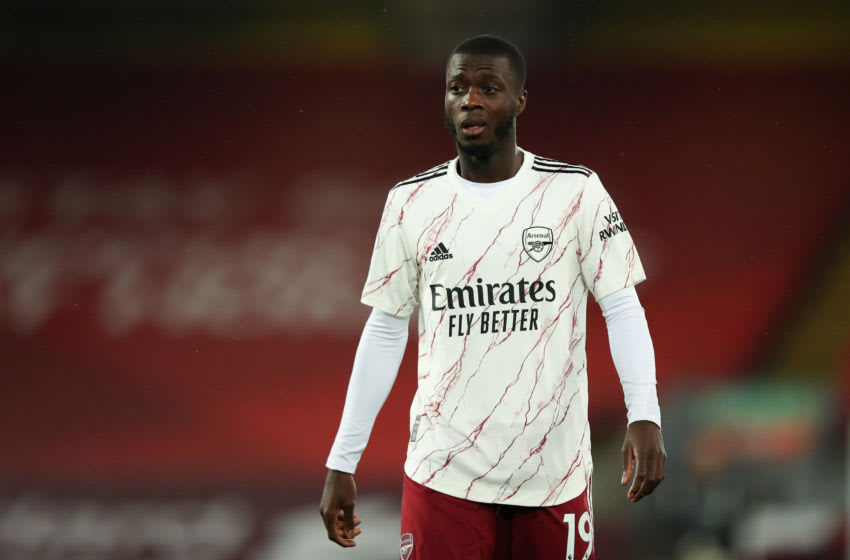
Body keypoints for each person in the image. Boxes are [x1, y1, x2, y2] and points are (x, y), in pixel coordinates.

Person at [320, 35, 665, 560]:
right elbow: (386, 329)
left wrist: (645, 413)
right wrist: (343, 459)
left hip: (553, 474)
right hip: (442, 474)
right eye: (457, 87)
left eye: (488, 87)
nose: (470, 99)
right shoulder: (411, 203)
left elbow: (621, 306)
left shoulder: (575, 193)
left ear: (520, 101)